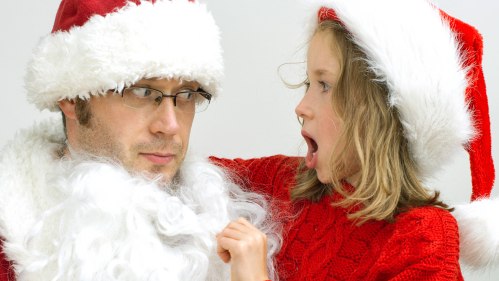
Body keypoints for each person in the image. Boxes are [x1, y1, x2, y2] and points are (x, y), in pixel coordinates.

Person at [213, 0, 496, 280]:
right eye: (307, 84)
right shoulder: (284, 182)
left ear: (377, 113)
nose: (301, 107)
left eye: (324, 85)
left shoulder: (422, 239)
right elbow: (185, 176)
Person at [0, 0, 279, 280]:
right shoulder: (8, 241)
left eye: (186, 95)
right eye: (143, 92)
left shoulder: (245, 192)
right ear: (71, 97)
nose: (170, 126)